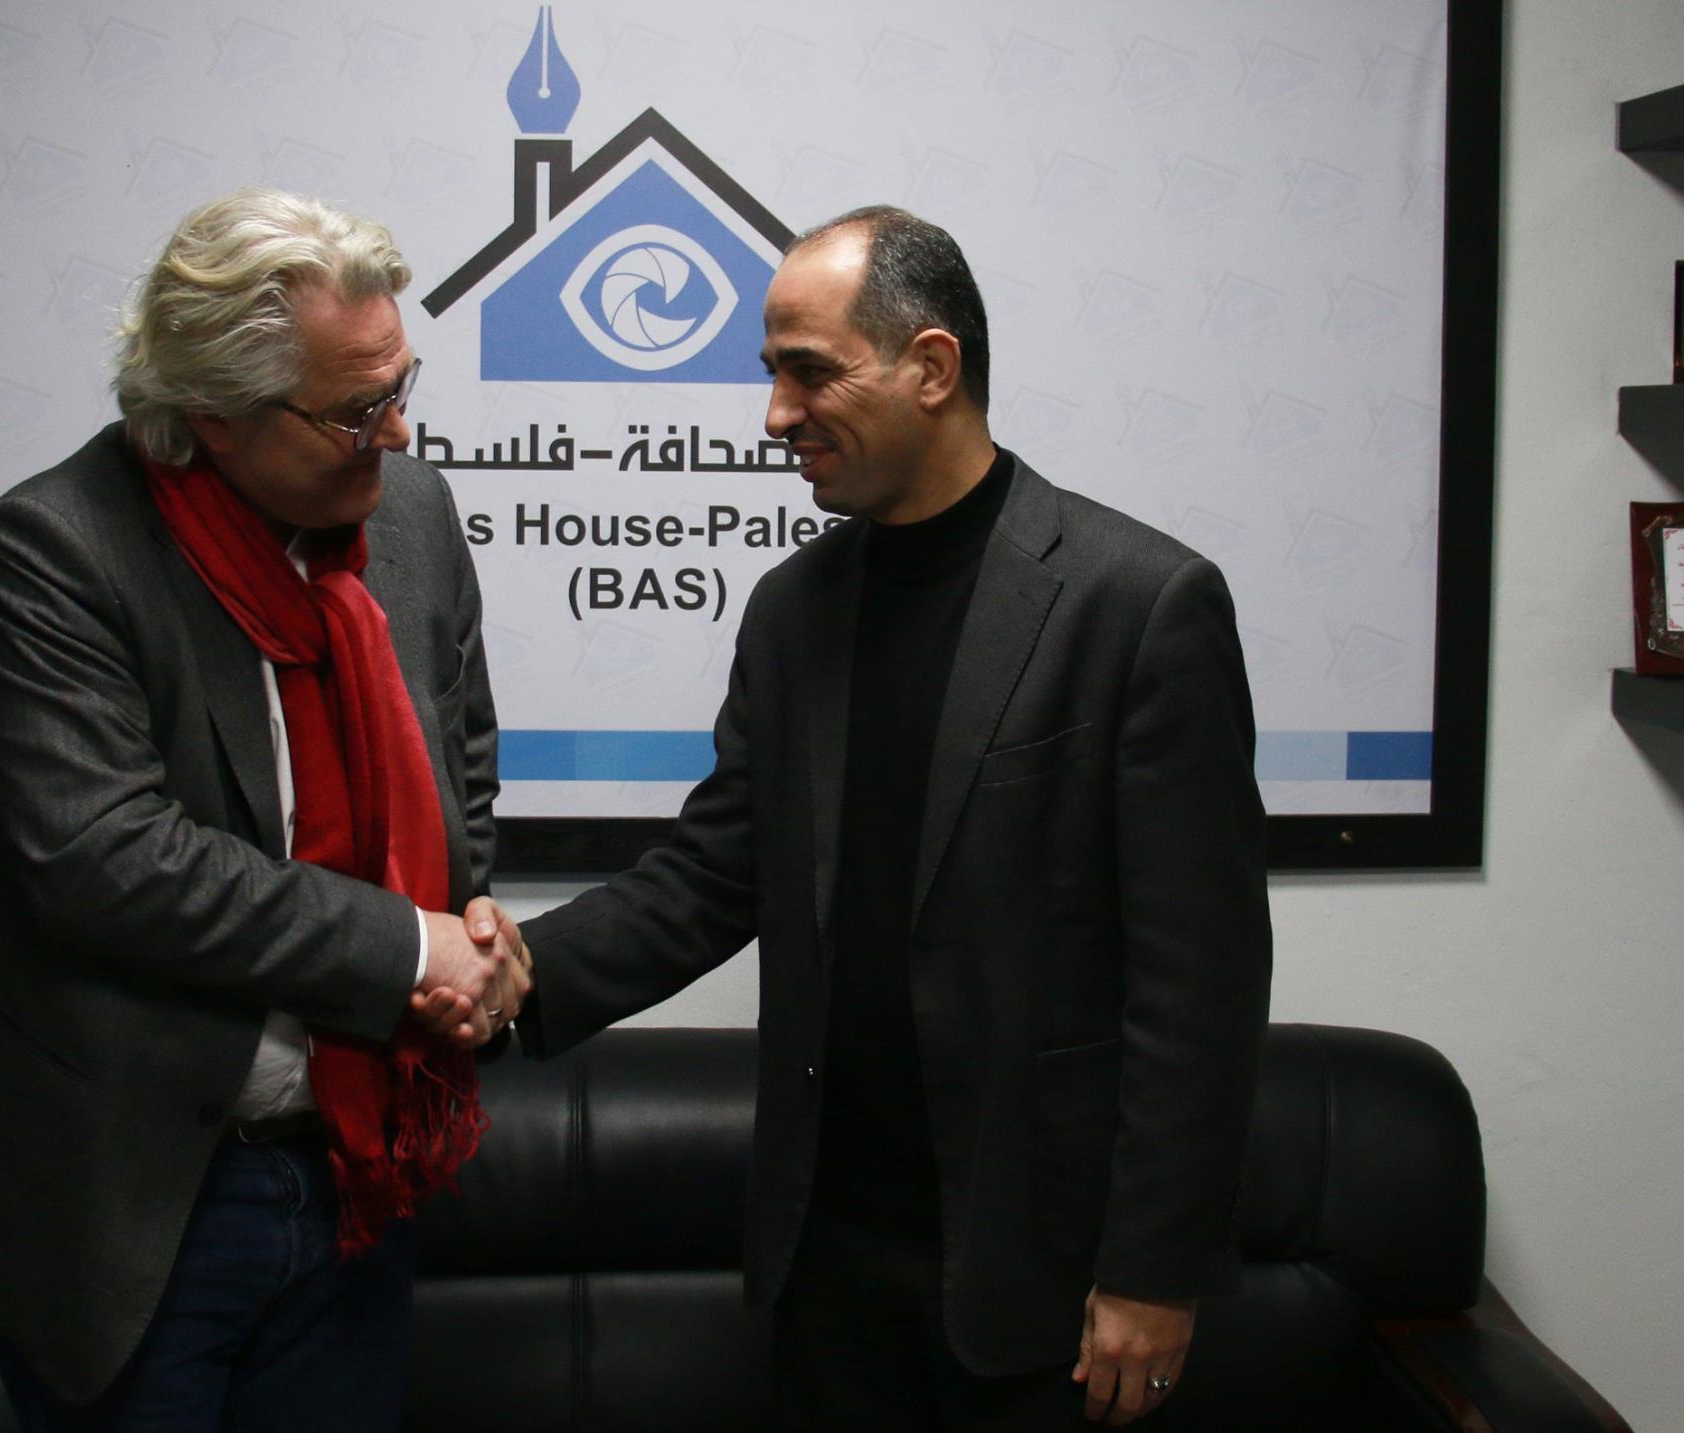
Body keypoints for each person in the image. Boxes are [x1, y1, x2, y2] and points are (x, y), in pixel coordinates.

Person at [509, 206, 1272, 1429]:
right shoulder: (792, 608)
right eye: (772, 374)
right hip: (826, 1261)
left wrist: (1152, 1268)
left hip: (1047, 1278)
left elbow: (1201, 982)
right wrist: (500, 977)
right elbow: (711, 876)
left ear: (929, 366)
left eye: (809, 372)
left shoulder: (1137, 604)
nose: (775, 415)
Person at [0, 188, 525, 1431]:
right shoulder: (55, 549)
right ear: (212, 413)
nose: (395, 431)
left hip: (357, 1166)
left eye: (400, 387)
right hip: (144, 1190)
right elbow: (109, 859)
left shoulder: (408, 514)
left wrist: (468, 925)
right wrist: (409, 946)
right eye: (354, 411)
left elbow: (461, 762)